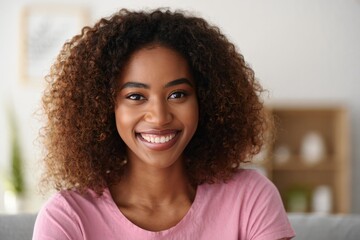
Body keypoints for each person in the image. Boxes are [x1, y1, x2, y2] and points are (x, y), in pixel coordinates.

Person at [33, 8, 295, 240]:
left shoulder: (250, 198)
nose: (159, 117)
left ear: (204, 100)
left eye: (177, 94)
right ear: (103, 108)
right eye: (136, 97)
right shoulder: (68, 218)